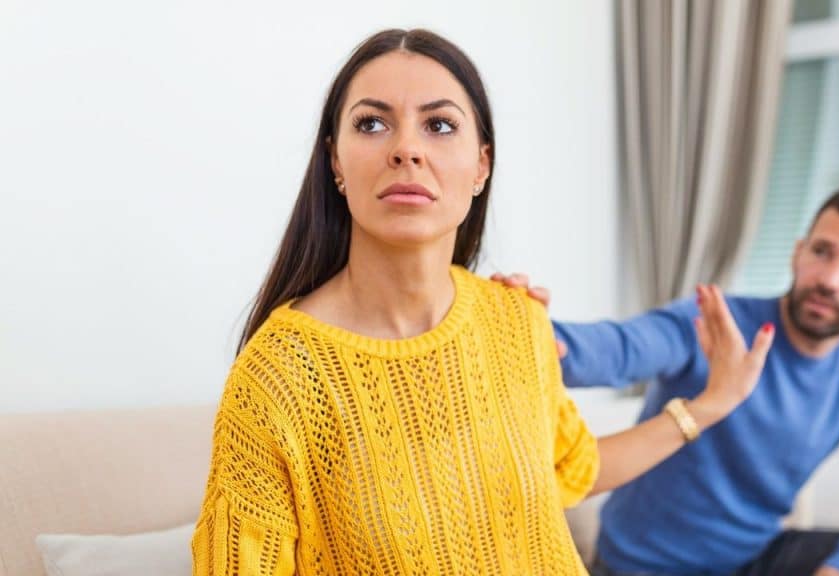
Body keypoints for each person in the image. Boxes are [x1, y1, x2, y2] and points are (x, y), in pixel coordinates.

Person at [191, 29, 773, 576]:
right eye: (372, 124)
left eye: (439, 126)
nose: (407, 150)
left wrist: (713, 403)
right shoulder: (279, 377)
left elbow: (573, 468)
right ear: (336, 164)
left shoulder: (515, 319)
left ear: (481, 165)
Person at [500, 187, 839, 576]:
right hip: (644, 568)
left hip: (753, 560)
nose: (830, 279)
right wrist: (523, 329)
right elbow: (616, 349)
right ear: (798, 252)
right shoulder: (715, 322)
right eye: (821, 252)